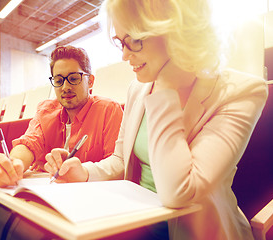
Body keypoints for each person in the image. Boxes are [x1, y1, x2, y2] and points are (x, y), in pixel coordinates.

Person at [44, 0, 268, 240]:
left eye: (135, 41)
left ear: (177, 31)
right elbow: (121, 160)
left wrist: (165, 87)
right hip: (136, 220)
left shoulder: (242, 92)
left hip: (196, 231)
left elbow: (180, 192)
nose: (124, 55)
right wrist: (85, 173)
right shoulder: (138, 89)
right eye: (120, 42)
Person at [0, 45, 123, 187]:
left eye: (73, 78)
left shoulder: (109, 110)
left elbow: (118, 164)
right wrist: (14, 164)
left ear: (90, 81)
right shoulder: (46, 110)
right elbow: (29, 143)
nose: (65, 87)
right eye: (59, 81)